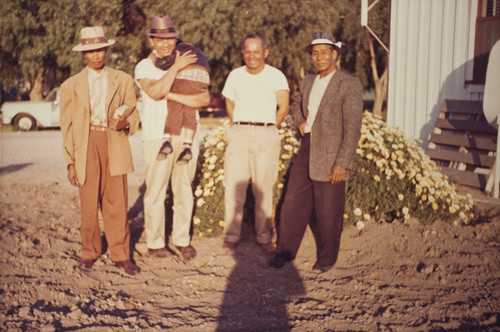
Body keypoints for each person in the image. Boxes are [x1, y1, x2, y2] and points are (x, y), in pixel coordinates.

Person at [269, 32, 363, 273]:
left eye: (324, 52)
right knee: (293, 200)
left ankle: (327, 258)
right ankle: (285, 252)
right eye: (315, 53)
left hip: (332, 152)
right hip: (308, 146)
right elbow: (296, 102)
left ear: (334, 54)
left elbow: (352, 129)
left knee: (328, 208)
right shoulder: (309, 81)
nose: (319, 57)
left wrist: (342, 162)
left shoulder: (348, 84)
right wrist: (300, 119)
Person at [60, 26, 141, 275]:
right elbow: (68, 126)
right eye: (90, 51)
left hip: (114, 141)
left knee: (116, 201)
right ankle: (89, 251)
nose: (96, 55)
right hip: (86, 144)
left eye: (100, 50)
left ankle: (120, 254)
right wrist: (70, 162)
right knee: (88, 202)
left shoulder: (123, 79)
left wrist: (125, 123)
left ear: (106, 50)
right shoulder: (71, 85)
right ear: (84, 54)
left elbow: (134, 115)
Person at [135, 15, 210, 260]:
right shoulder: (145, 66)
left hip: (186, 133)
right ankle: (156, 243)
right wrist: (176, 68)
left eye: (169, 38)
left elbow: (203, 99)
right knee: (156, 189)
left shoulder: (189, 60)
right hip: (158, 135)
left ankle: (181, 240)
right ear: (152, 40)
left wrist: (173, 96)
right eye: (160, 39)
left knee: (183, 188)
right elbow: (156, 92)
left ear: (175, 38)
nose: (165, 44)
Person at [221, 34, 289, 254]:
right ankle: (232, 235)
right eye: (247, 51)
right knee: (234, 186)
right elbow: (229, 104)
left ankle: (264, 237)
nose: (252, 56)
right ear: (243, 53)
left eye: (256, 51)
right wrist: (240, 126)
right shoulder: (235, 76)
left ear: (265, 52)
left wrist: (267, 128)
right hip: (239, 132)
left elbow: (284, 107)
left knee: (263, 188)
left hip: (266, 134)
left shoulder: (276, 76)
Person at [151, 42, 210, 163]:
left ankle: (166, 140)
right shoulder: (200, 53)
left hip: (185, 77)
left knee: (174, 107)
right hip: (202, 79)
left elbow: (164, 64)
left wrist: (154, 59)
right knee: (190, 109)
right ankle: (187, 146)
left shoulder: (179, 50)